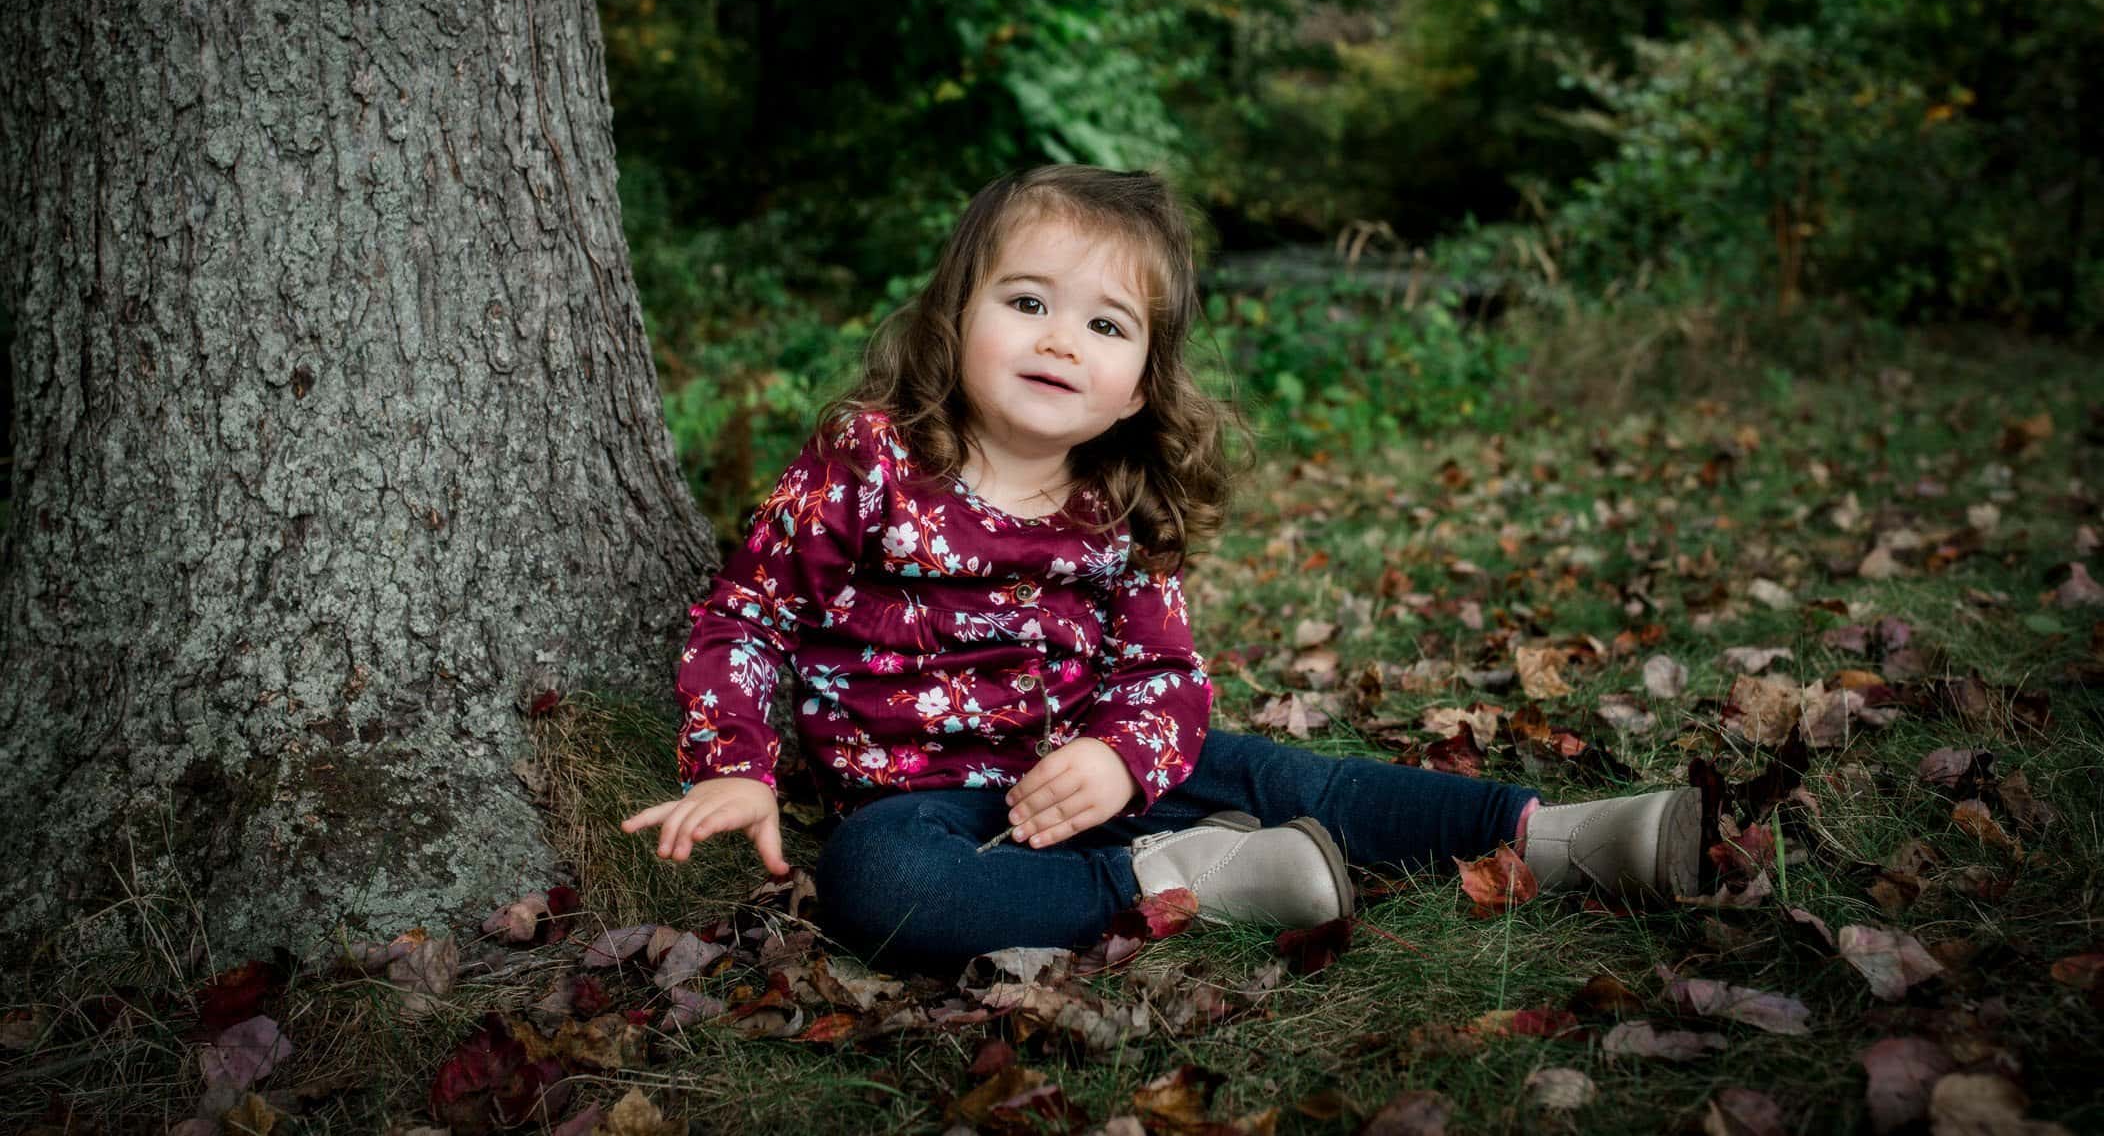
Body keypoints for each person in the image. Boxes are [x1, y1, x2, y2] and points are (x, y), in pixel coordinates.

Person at [620, 165, 1698, 977]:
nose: (1059, 341)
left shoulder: (1118, 503)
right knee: (881, 886)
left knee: (1292, 777)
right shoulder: (872, 457)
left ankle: (1542, 834)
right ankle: (1182, 881)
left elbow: (1165, 680)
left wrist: (1125, 760)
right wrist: (737, 763)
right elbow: (747, 616)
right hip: (924, 804)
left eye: (1104, 324)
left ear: (1138, 384)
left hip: (1098, 766)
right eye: (1026, 302)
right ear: (955, 319)